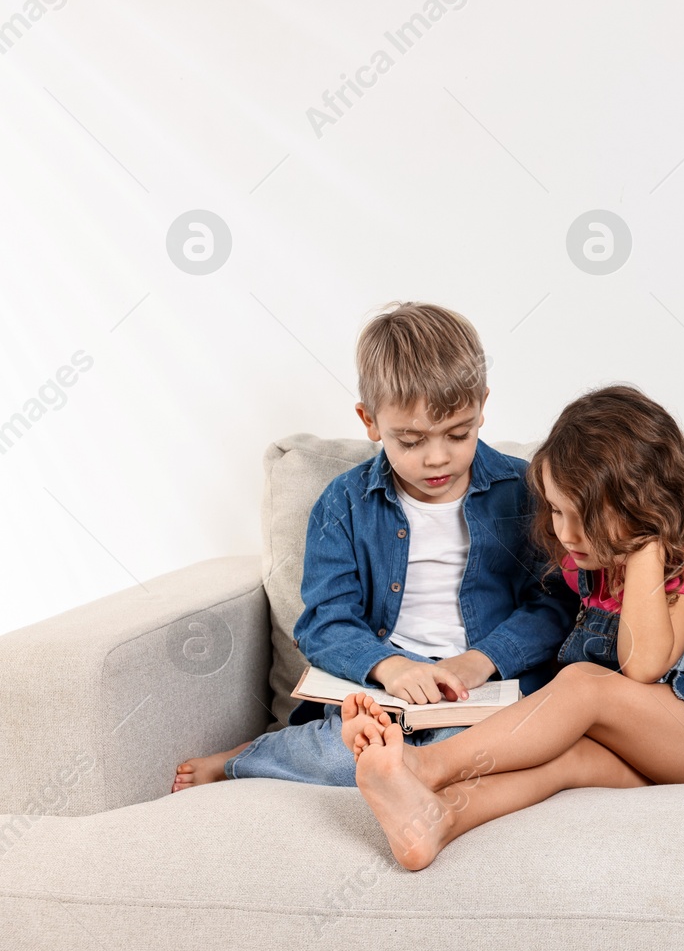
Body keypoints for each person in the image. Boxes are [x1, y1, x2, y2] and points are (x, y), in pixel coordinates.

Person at [338, 384, 684, 871]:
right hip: (662, 750)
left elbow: (641, 668)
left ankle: (427, 765)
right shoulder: (589, 566)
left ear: (645, 510)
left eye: (588, 519)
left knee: (582, 685)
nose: (566, 533)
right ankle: (437, 818)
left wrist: (647, 544)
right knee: (564, 760)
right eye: (558, 510)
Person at [172, 301, 575, 790]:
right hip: (385, 682)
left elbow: (555, 602)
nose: (437, 457)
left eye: (458, 433)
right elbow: (325, 621)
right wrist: (392, 667)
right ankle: (257, 755)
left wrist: (480, 661)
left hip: (487, 683)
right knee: (373, 754)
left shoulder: (523, 490)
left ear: (483, 406)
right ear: (369, 421)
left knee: (494, 745)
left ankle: (342, 749)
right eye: (410, 440)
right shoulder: (343, 503)